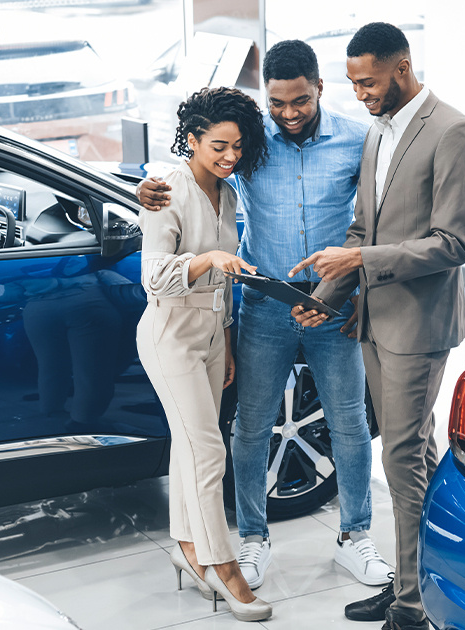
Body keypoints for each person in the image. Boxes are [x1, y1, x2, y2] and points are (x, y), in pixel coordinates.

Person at [137, 40, 391, 592]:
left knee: (349, 423)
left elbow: (370, 223)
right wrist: (146, 184)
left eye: (299, 100)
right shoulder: (250, 145)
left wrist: (337, 287)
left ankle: (355, 536)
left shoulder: (357, 140)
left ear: (319, 87)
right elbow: (196, 166)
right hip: (263, 302)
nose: (289, 113)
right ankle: (252, 539)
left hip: (332, 302)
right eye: (277, 102)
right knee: (250, 426)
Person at [289, 22, 465, 630]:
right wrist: (325, 296)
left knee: (401, 459)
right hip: (371, 320)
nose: (359, 94)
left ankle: (411, 608)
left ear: (401, 68)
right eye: (352, 84)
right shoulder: (379, 132)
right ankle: (415, 581)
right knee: (415, 454)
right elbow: (363, 231)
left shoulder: (453, 132)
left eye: (368, 82)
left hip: (417, 327)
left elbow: (453, 243)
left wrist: (362, 261)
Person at [136, 86, 271, 622]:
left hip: (214, 336)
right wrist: (207, 257)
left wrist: (229, 342)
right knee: (209, 452)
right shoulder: (167, 189)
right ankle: (221, 562)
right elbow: (155, 277)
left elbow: (227, 282)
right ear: (191, 137)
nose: (230, 156)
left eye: (238, 146)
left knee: (189, 447)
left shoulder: (228, 193)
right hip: (171, 334)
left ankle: (187, 547)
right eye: (218, 145)